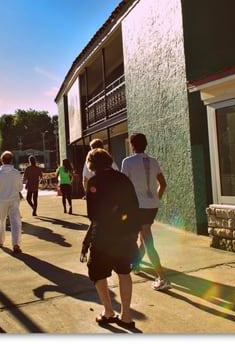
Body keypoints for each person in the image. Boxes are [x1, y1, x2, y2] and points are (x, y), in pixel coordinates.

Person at [85, 148, 141, 329]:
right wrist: (134, 232)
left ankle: (108, 311)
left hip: (102, 236)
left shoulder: (94, 182)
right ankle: (126, 315)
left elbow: (92, 214)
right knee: (124, 272)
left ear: (92, 164)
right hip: (124, 235)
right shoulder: (123, 179)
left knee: (97, 272)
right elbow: (134, 206)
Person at [121, 133, 170, 291]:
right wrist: (156, 198)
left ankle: (162, 277)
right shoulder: (153, 161)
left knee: (147, 240)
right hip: (152, 206)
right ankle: (135, 265)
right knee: (143, 237)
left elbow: (124, 186)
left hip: (138, 206)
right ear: (146, 144)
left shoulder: (127, 162)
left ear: (132, 145)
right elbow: (162, 183)